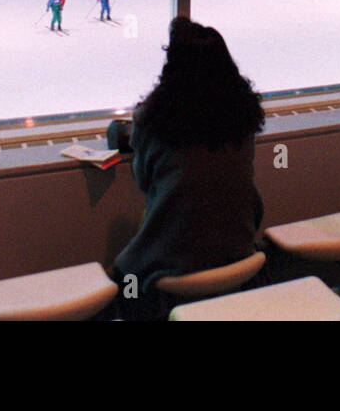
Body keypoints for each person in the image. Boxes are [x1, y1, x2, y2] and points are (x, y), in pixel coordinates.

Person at [111, 17, 265, 320]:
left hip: (171, 260)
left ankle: (128, 310)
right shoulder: (243, 116)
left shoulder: (153, 120)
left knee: (124, 278)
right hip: (240, 245)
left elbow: (144, 181)